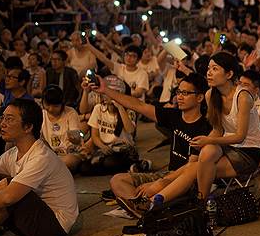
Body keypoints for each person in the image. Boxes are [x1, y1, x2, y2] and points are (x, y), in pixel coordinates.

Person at [150, 52, 260, 203]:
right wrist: (203, 142)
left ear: (229, 74)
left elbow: (240, 136)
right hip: (228, 146)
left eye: (215, 69)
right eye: (209, 68)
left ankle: (158, 199)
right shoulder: (211, 95)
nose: (209, 73)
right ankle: (159, 194)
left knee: (196, 168)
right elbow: (218, 129)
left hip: (248, 151)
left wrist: (208, 140)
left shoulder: (243, 97)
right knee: (206, 152)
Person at [90, 73, 212, 215]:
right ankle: (142, 207)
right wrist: (105, 90)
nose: (179, 97)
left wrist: (158, 184)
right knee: (117, 180)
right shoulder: (174, 115)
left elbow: (191, 168)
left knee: (156, 188)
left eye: (185, 93)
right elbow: (138, 105)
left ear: (199, 97)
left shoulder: (204, 127)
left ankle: (145, 205)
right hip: (167, 175)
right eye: (178, 92)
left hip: (183, 181)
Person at [0, 99, 80, 236]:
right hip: (35, 217)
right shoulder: (12, 154)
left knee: (7, 186)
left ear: (28, 127)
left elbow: (9, 197)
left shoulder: (41, 156)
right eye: (3, 117)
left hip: (53, 227)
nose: (2, 124)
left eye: (9, 119)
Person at [79, 77, 137, 175]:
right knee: (84, 168)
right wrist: (103, 147)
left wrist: (120, 107)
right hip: (105, 148)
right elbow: (94, 135)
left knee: (109, 163)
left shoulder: (129, 111)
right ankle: (132, 167)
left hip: (123, 149)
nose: (106, 95)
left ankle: (134, 164)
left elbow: (130, 130)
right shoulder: (98, 108)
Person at [41, 85, 84, 172]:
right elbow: (40, 139)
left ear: (62, 104)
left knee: (69, 160)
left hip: (69, 154)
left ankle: (50, 170)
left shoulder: (70, 113)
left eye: (55, 106)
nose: (51, 109)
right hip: (50, 154)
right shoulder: (41, 115)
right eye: (47, 105)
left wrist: (74, 139)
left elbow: (76, 140)